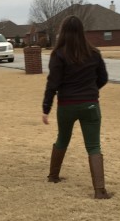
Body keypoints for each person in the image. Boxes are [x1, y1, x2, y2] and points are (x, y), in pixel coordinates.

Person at [42, 15, 111, 199]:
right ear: (82, 32)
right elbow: (103, 78)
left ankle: (53, 176)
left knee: (62, 138)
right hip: (90, 104)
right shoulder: (94, 53)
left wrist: (46, 108)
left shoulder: (58, 54)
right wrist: (90, 91)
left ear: (63, 32)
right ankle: (99, 190)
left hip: (66, 106)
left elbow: (53, 83)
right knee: (94, 145)